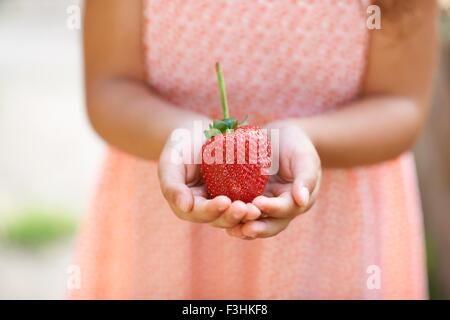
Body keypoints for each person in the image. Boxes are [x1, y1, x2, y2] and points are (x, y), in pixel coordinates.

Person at [70, 0, 437, 299]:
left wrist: (300, 138)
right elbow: (110, 87)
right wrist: (188, 137)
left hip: (334, 237)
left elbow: (401, 104)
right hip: (166, 218)